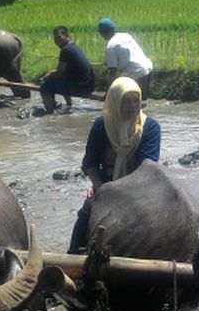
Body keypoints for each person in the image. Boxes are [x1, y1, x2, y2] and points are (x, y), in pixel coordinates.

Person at [68, 76, 162, 252]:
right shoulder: (101, 125)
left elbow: (147, 167)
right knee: (87, 211)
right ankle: (71, 256)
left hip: (140, 188)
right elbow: (90, 162)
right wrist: (98, 186)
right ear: (114, 102)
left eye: (136, 101)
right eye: (126, 102)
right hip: (106, 186)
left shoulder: (150, 128)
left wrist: (121, 193)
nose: (133, 106)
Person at [38, 25, 96, 114]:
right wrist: (51, 73)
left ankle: (49, 113)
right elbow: (62, 72)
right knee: (60, 79)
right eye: (55, 39)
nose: (57, 42)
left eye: (59, 38)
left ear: (67, 36)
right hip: (89, 85)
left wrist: (46, 77)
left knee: (44, 86)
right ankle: (68, 104)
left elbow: (59, 72)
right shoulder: (74, 47)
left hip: (82, 87)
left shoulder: (65, 51)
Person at [97, 17, 153, 96]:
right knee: (141, 100)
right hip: (148, 67)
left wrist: (107, 95)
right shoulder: (126, 36)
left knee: (126, 99)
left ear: (102, 33)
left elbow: (112, 73)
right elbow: (128, 54)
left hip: (137, 73)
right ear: (114, 29)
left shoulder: (111, 46)